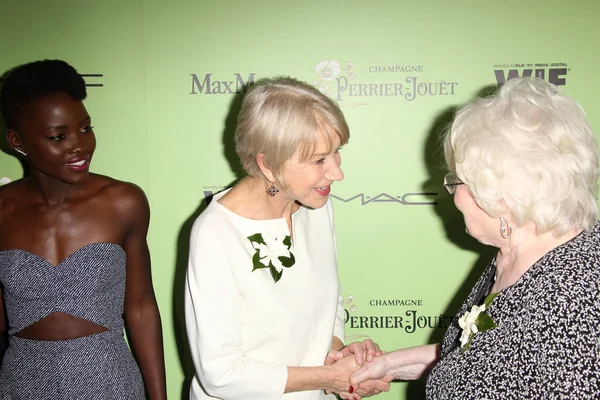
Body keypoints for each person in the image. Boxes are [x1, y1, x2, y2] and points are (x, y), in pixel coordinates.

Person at [349, 77, 600, 398]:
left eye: (456, 181)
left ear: (502, 198)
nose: (452, 193)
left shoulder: (570, 314)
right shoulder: (516, 252)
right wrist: (389, 365)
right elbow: (482, 357)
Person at [185, 76, 391, 400]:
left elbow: (329, 302)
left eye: (337, 153)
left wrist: (338, 359)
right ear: (268, 164)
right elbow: (220, 374)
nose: (337, 172)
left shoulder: (316, 206)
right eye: (319, 159)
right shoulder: (216, 234)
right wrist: (329, 377)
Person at [0, 60, 167, 399]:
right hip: (23, 381)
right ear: (17, 141)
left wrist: (159, 397)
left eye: (86, 129)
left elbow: (140, 306)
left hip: (108, 377)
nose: (80, 146)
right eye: (58, 136)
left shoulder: (123, 202)